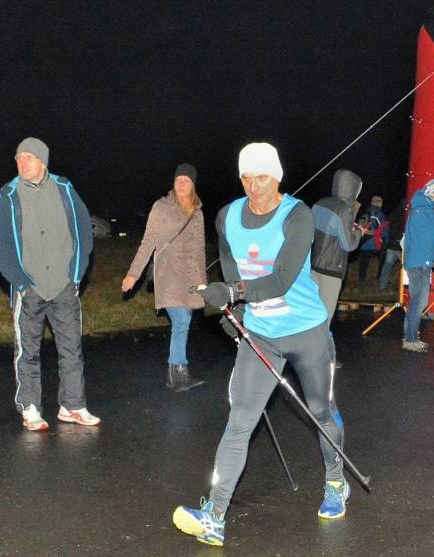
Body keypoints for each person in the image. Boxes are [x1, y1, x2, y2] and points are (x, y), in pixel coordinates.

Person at [172, 143, 348, 547]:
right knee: (239, 421)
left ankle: (336, 482)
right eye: (247, 178)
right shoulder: (227, 217)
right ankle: (214, 516)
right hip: (261, 335)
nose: (255, 186)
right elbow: (230, 266)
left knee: (321, 411)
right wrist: (232, 313)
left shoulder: (297, 216)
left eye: (263, 177)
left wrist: (233, 291)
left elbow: (281, 279)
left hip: (306, 331)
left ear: (278, 176)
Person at [0, 137, 100, 431]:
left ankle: (73, 405)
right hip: (30, 288)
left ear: (43, 161)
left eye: (29, 157)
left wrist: (75, 274)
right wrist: (21, 282)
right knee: (28, 352)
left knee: (71, 349)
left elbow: (83, 233)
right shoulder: (9, 195)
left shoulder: (64, 189)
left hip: (63, 285)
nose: (23, 163)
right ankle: (30, 407)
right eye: (19, 158)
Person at [121, 163, 207, 392]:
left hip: (190, 276)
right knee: (181, 320)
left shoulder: (198, 213)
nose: (181, 184)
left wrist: (203, 283)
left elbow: (200, 249)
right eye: (178, 179)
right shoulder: (161, 207)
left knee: (183, 322)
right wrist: (133, 274)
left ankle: (177, 374)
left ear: (193, 185)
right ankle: (178, 372)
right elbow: (148, 242)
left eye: (186, 180)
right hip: (168, 273)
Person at [310, 168, 363, 324]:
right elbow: (348, 245)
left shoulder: (320, 203)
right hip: (332, 269)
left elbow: (327, 230)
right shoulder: (344, 209)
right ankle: (322, 340)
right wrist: (359, 232)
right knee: (325, 317)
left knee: (312, 313)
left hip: (314, 266)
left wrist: (351, 220)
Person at [402, 179, 434, 353]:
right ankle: (410, 339)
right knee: (418, 302)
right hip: (420, 263)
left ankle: (410, 337)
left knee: (417, 302)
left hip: (419, 262)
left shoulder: (420, 209)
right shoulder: (424, 211)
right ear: (433, 194)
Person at [378, 198, 407, 290]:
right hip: (401, 245)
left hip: (391, 244)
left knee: (387, 265)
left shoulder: (393, 214)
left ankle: (383, 285)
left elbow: (388, 227)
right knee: (407, 266)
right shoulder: (406, 215)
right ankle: (404, 287)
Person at [357, 195, 386, 284]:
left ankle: (361, 280)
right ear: (379, 203)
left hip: (364, 241)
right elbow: (383, 229)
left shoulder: (365, 212)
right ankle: (379, 278)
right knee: (382, 260)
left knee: (363, 262)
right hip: (375, 242)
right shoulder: (380, 214)